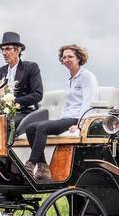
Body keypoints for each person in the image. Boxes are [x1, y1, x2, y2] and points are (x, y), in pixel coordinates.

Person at [24, 44, 98, 181]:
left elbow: (89, 102)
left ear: (79, 58)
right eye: (64, 57)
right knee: (30, 128)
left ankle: (30, 164)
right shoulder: (68, 79)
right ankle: (43, 167)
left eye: (70, 56)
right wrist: (59, 120)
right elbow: (68, 104)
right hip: (67, 117)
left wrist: (80, 124)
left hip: (77, 118)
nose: (66, 59)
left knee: (42, 128)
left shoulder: (87, 76)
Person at [0, 31, 43, 130]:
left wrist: (14, 102)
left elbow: (37, 94)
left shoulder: (31, 67)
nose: (4, 53)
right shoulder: (2, 71)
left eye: (8, 49)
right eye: (2, 50)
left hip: (25, 112)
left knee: (2, 124)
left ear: (18, 50)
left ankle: (6, 146)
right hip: (4, 113)